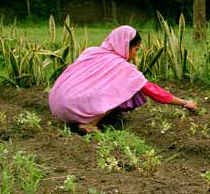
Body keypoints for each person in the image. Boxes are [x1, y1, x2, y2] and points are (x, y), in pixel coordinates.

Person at [48, 25, 197, 133]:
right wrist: (184, 103)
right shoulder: (124, 68)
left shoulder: (92, 51)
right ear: (125, 45)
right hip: (75, 109)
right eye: (136, 49)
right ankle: (90, 124)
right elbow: (153, 91)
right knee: (122, 89)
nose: (135, 54)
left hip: (57, 106)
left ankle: (84, 119)